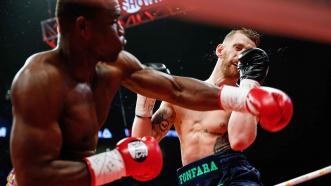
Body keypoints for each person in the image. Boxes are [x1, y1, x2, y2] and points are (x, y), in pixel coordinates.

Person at [8, 0, 292, 184]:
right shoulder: (38, 80)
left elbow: (177, 89)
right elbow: (33, 174)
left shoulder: (120, 64)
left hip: (229, 173)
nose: (122, 29)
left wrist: (244, 96)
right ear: (83, 27)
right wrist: (117, 162)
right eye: (114, 22)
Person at [132, 28, 290, 185]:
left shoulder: (248, 95)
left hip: (231, 175)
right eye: (238, 48)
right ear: (220, 50)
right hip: (190, 179)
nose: (242, 56)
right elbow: (142, 147)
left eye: (249, 53)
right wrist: (145, 98)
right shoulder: (184, 93)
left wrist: (250, 82)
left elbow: (239, 140)